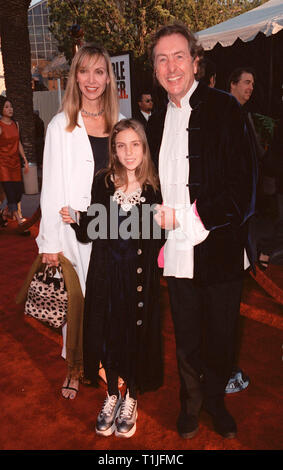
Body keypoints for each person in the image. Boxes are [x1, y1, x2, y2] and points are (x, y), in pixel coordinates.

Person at [146, 23, 257, 439]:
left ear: (195, 61)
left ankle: (214, 401)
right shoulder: (154, 121)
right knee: (186, 336)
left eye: (178, 56)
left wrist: (187, 219)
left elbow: (242, 186)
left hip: (220, 247)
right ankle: (190, 403)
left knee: (221, 337)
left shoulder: (225, 108)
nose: (170, 66)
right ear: (154, 69)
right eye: (161, 58)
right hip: (175, 252)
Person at [60, 118, 164, 438]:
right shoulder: (103, 182)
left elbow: (157, 237)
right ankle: (111, 396)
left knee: (133, 336)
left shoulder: (153, 189)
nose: (128, 152)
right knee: (108, 333)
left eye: (134, 144)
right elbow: (94, 225)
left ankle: (131, 395)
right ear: (113, 150)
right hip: (106, 274)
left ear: (144, 148)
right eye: (121, 146)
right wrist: (78, 221)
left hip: (137, 280)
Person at [36, 43, 123, 400]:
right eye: (84, 71)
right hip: (73, 232)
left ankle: (102, 362)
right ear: (75, 77)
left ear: (107, 78)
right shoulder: (61, 125)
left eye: (99, 72)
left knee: (109, 301)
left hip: (113, 229)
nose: (91, 80)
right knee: (76, 303)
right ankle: (74, 366)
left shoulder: (119, 122)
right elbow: (51, 186)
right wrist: (50, 244)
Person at [0, 96, 29, 226]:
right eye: (6, 107)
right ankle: (19, 220)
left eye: (11, 106)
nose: (10, 109)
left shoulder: (15, 124)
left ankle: (5, 212)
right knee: (11, 192)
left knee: (19, 192)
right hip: (3, 164)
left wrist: (25, 160)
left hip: (16, 163)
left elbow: (18, 144)